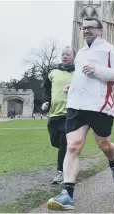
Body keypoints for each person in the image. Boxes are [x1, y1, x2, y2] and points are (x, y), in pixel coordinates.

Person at [46, 17, 114, 211]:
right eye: (83, 28)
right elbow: (81, 75)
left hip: (100, 106)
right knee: (73, 146)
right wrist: (72, 86)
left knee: (105, 145)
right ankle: (68, 194)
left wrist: (98, 70)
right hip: (76, 105)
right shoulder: (81, 53)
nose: (86, 31)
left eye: (90, 28)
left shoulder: (110, 50)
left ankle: (113, 163)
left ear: (101, 30)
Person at [41, 46, 75, 184]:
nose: (65, 56)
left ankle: (60, 172)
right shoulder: (52, 72)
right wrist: (46, 102)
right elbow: (47, 89)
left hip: (70, 114)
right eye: (63, 54)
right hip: (54, 114)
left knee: (63, 142)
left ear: (73, 56)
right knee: (55, 141)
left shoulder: (78, 73)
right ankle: (70, 157)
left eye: (68, 54)